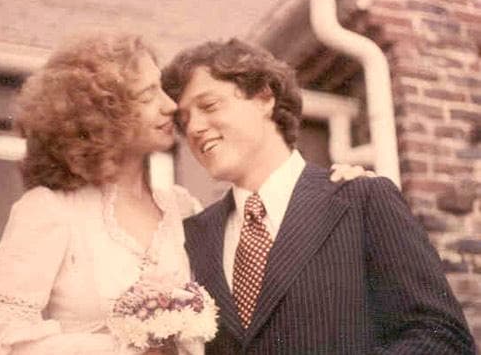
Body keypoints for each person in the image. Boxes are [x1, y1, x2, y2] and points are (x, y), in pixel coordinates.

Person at [161, 38, 476, 354]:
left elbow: (442, 337)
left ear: (264, 97)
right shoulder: (191, 237)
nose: (194, 128)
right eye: (184, 121)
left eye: (209, 106)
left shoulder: (362, 200)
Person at [0, 32, 202, 355]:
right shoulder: (50, 209)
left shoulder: (184, 208)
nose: (170, 105)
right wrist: (122, 350)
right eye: (147, 96)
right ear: (102, 115)